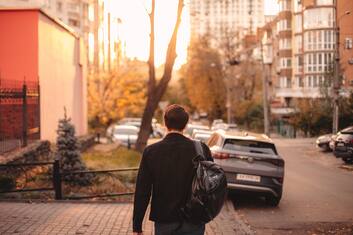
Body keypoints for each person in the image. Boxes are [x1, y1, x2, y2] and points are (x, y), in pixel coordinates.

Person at [133, 104, 213, 235]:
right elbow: (211, 184)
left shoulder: (151, 151)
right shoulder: (201, 149)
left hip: (164, 220)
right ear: (186, 124)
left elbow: (143, 191)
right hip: (194, 219)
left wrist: (137, 226)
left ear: (165, 122)